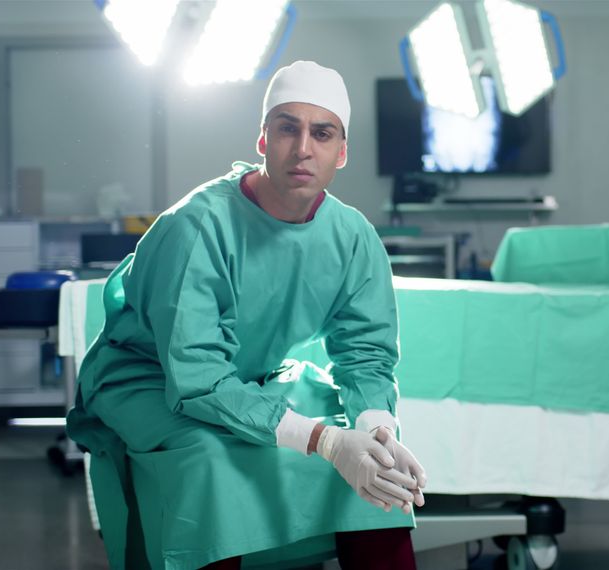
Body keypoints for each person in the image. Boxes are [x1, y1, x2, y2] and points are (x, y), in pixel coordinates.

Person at [66, 60, 427, 570]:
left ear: (341, 153)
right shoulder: (196, 228)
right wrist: (324, 441)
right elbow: (198, 379)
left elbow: (366, 352)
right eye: (288, 128)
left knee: (370, 460)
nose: (303, 148)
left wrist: (375, 430)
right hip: (148, 379)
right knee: (210, 458)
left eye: (321, 134)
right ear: (262, 141)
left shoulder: (353, 237)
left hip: (251, 376)